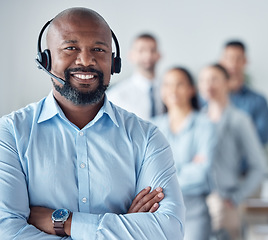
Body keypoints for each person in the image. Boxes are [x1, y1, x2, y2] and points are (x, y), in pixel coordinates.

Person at [0, 7, 185, 239]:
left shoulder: (146, 137)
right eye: (70, 48)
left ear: (113, 62)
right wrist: (124, 228)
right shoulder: (11, 134)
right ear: (45, 60)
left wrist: (64, 222)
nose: (86, 60)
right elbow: (8, 231)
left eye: (99, 49)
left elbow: (169, 230)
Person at [198, 63, 267, 240]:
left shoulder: (239, 119)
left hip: (225, 202)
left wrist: (237, 197)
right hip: (197, 203)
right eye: (204, 80)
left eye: (214, 79)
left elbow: (259, 165)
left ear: (227, 83)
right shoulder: (197, 119)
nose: (208, 85)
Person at [152, 67, 215, 240]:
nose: (173, 90)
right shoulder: (152, 127)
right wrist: (185, 168)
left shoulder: (205, 125)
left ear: (191, 89)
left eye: (179, 84)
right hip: (158, 213)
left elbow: (201, 172)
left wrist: (163, 176)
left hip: (194, 211)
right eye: (167, 85)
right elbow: (145, 173)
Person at [220, 40, 268, 146]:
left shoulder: (258, 100)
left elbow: (263, 137)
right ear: (221, 61)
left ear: (245, 61)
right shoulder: (207, 98)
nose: (233, 64)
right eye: (229, 58)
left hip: (246, 161)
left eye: (238, 58)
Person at [107, 33, 164, 120]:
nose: (148, 55)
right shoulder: (116, 96)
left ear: (159, 55)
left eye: (152, 50)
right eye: (141, 51)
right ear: (131, 56)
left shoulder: (170, 90)